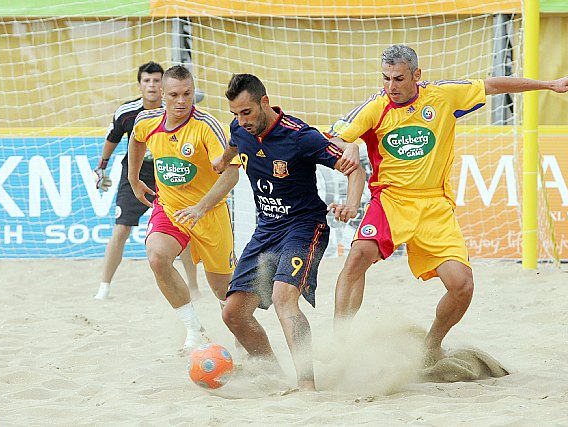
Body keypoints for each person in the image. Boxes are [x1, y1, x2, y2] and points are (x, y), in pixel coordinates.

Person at [329, 44, 568, 365]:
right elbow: (335, 136)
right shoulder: (375, 107)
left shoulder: (443, 96)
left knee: (462, 285)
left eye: (398, 79)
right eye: (385, 79)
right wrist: (349, 145)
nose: (390, 87)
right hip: (391, 200)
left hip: (435, 206)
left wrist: (547, 84)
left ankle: (430, 347)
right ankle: (339, 343)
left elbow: (493, 85)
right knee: (357, 257)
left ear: (417, 75)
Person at [213, 74, 366, 391]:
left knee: (284, 298)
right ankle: (271, 374)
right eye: (235, 114)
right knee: (233, 315)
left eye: (247, 112)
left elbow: (355, 169)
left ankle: (307, 385)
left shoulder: (299, 136)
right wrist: (222, 160)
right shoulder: (239, 130)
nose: (242, 121)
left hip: (304, 227)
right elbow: (233, 145)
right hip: (266, 229)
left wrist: (351, 205)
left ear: (264, 102)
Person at [128, 65, 240, 351]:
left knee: (223, 292)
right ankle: (194, 330)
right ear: (162, 94)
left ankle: (243, 337)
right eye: (175, 95)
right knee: (156, 258)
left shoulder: (207, 126)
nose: (181, 101)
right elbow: (136, 138)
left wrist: (201, 208)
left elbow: (231, 173)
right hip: (170, 209)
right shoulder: (147, 120)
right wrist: (134, 178)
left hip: (210, 213)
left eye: (187, 94)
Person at [93, 61, 200, 301]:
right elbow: (112, 139)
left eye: (155, 80)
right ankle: (104, 287)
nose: (151, 85)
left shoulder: (174, 109)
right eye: (146, 80)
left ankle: (193, 286)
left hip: (168, 174)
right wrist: (101, 168)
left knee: (181, 230)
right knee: (121, 229)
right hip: (134, 175)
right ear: (140, 85)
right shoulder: (127, 112)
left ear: (162, 87)